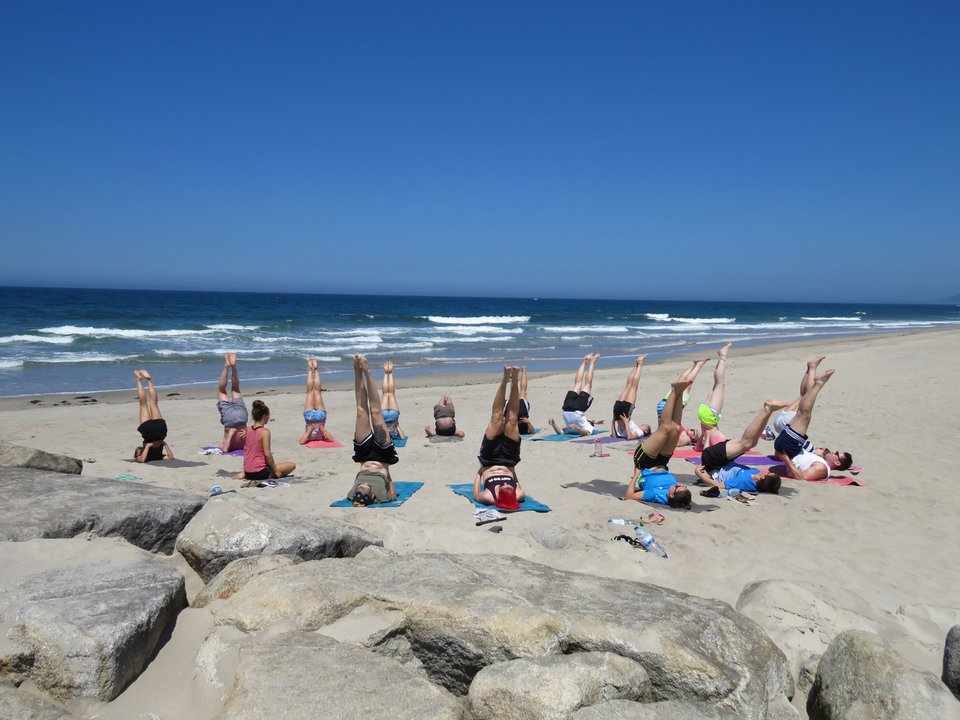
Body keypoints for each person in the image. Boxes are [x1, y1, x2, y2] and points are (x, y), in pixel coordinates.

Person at [623, 373, 694, 509]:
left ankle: (674, 390)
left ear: (671, 496)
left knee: (666, 427)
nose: (678, 485)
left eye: (677, 488)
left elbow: (628, 496)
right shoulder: (678, 494)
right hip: (663, 462)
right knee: (676, 429)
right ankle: (680, 391)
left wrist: (635, 475)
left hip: (644, 462)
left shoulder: (656, 495)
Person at [772, 364, 852, 481]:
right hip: (789, 448)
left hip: (790, 449)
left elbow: (802, 478)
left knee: (805, 414)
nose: (833, 451)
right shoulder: (820, 461)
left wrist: (786, 460)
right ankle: (815, 379)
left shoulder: (822, 468)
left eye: (836, 453)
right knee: (802, 412)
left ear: (837, 462)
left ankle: (818, 383)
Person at [694, 399, 791, 496]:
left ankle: (768, 409)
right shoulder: (756, 474)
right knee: (751, 443)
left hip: (711, 461)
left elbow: (718, 486)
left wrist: (698, 473)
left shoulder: (743, 482)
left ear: (762, 478)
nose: (767, 472)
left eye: (768, 473)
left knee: (747, 443)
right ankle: (768, 410)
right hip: (724, 462)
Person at [473, 366, 527, 511]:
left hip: (488, 459)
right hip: (510, 460)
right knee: (512, 420)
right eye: (509, 486)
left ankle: (504, 379)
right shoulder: (519, 494)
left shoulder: (488, 497)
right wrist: (513, 471)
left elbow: (476, 493)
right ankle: (514, 380)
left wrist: (479, 472)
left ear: (498, 494)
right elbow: (517, 482)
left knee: (496, 418)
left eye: (502, 487)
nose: (505, 484)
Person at [347, 355, 399, 506]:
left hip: (363, 455)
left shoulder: (352, 495)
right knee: (376, 412)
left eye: (358, 489)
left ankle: (357, 371)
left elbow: (356, 497)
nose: (360, 487)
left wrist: (358, 497)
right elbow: (393, 494)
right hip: (383, 456)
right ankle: (367, 371)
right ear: (371, 496)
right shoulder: (381, 496)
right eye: (362, 490)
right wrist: (388, 475)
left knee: (361, 412)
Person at [235, 400, 295, 485]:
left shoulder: (248, 430)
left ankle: (246, 473)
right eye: (268, 416)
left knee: (272, 463)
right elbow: (267, 454)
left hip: (248, 472)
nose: (269, 418)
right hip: (260, 472)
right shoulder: (264, 432)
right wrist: (276, 471)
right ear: (264, 416)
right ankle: (270, 474)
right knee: (291, 465)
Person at [655, 358, 708, 447]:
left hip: (672, 405)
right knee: (681, 381)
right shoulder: (681, 430)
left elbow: (677, 444)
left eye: (692, 431)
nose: (690, 429)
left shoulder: (686, 439)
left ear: (693, 437)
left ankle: (699, 365)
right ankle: (695, 365)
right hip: (667, 406)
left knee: (687, 384)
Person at [548, 354, 600, 436]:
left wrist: (554, 424)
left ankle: (586, 361)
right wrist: (577, 428)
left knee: (582, 384)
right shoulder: (589, 427)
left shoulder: (571, 428)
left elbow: (560, 432)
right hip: (568, 409)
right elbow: (587, 433)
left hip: (574, 410)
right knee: (582, 384)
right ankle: (589, 361)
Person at [694, 343, 732, 451]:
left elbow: (706, 452)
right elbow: (697, 449)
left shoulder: (717, 440)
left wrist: (707, 438)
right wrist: (704, 435)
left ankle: (722, 356)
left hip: (710, 416)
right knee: (717, 384)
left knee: (719, 384)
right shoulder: (712, 437)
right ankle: (721, 357)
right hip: (703, 416)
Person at [133, 369, 173, 462]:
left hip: (157, 431)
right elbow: (171, 457)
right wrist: (164, 444)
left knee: (152, 404)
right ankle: (142, 380)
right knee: (146, 404)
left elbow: (141, 460)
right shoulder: (156, 456)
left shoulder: (142, 456)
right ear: (138, 453)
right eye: (138, 450)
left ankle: (147, 380)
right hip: (155, 433)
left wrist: (148, 446)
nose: (139, 448)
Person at [611, 354, 652, 440]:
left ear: (645, 432)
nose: (644, 424)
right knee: (629, 385)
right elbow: (616, 436)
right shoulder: (637, 428)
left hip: (623, 414)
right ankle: (637, 364)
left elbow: (626, 437)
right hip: (618, 413)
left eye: (646, 426)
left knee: (633, 386)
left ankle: (639, 364)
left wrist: (614, 421)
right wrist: (615, 419)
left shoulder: (640, 433)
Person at [216, 353, 248, 453]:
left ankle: (232, 366)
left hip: (242, 419)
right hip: (232, 421)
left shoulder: (243, 440)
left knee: (235, 389)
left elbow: (225, 450)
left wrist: (231, 434)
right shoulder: (242, 444)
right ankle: (227, 366)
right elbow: (225, 449)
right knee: (222, 390)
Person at [299, 358, 335, 444]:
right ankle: (313, 368)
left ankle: (312, 369)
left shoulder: (308, 438)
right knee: (315, 392)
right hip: (319, 419)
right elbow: (331, 439)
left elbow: (301, 442)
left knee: (313, 392)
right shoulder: (321, 435)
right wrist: (323, 430)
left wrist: (309, 430)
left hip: (311, 419)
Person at [380, 360, 405, 441]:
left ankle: (389, 373)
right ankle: (386, 372)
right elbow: (402, 438)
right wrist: (396, 425)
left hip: (393, 416)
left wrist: (397, 425)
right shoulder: (383, 435)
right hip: (383, 416)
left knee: (390, 393)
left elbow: (402, 437)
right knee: (385, 393)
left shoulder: (393, 436)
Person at [517, 367, 535, 435]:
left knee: (522, 390)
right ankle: (522, 371)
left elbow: (533, 431)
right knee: (522, 391)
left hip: (520, 414)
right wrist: (528, 422)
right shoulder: (526, 431)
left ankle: (523, 370)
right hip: (521, 415)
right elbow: (532, 431)